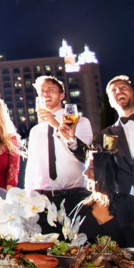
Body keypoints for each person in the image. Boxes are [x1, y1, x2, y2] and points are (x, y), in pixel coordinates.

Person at [64, 75, 134, 230]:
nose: (118, 91)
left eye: (123, 87)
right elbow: (91, 157)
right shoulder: (106, 134)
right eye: (113, 90)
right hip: (124, 204)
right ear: (110, 102)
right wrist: (71, 139)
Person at [23, 76, 91, 213]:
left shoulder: (80, 122)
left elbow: (86, 156)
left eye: (51, 90)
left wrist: (54, 123)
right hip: (42, 200)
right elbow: (31, 167)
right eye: (42, 91)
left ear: (62, 96)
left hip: (75, 196)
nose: (46, 94)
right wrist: (27, 197)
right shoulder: (35, 131)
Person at [73, 153, 134, 247]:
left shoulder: (126, 204)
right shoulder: (82, 208)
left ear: (106, 172)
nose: (85, 173)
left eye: (91, 168)